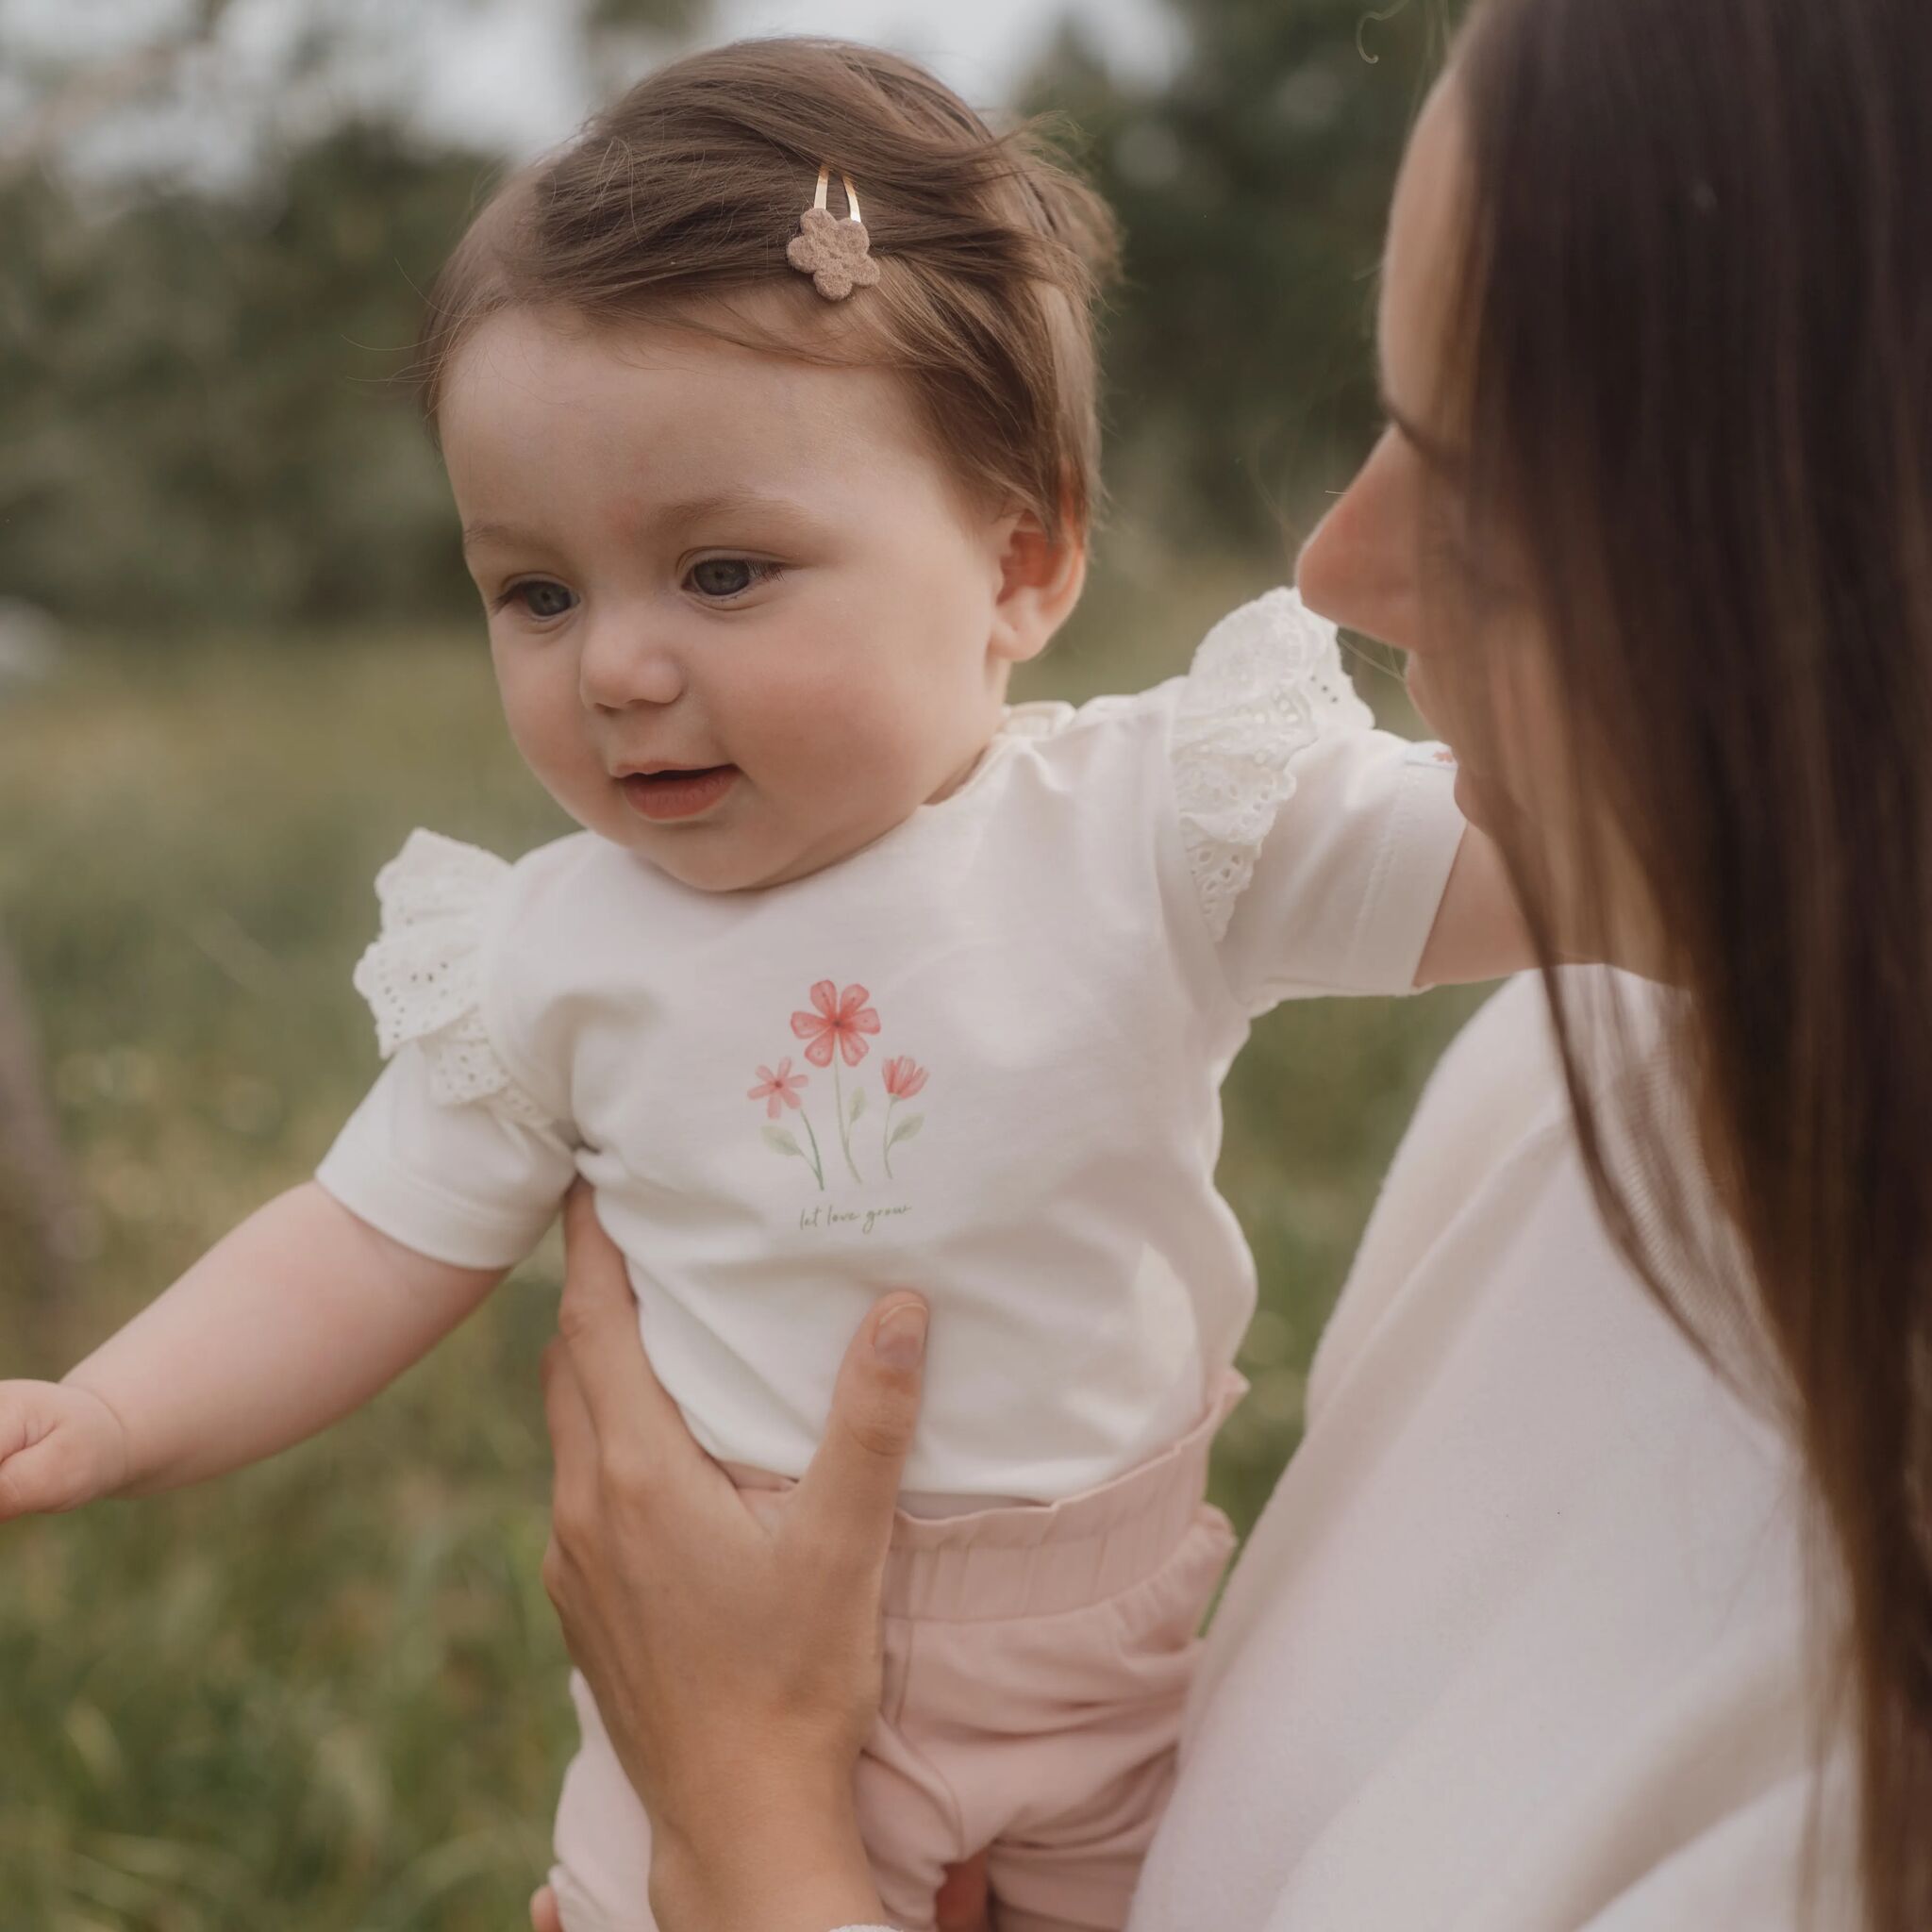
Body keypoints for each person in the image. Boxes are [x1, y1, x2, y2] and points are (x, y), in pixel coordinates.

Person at [0, 38, 1532, 1932]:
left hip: (1112, 1657)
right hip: (709, 1645)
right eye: (537, 593)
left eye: (720, 573)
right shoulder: (559, 948)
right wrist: (113, 1410)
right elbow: (365, 1232)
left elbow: (1556, 861)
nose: (617, 668)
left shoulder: (1148, 828)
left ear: (1018, 561)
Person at [528, 2, 1932, 1930]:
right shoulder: (1583, 1058)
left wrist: (749, 1832)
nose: (1340, 563)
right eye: (529, 587)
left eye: (1503, 488)